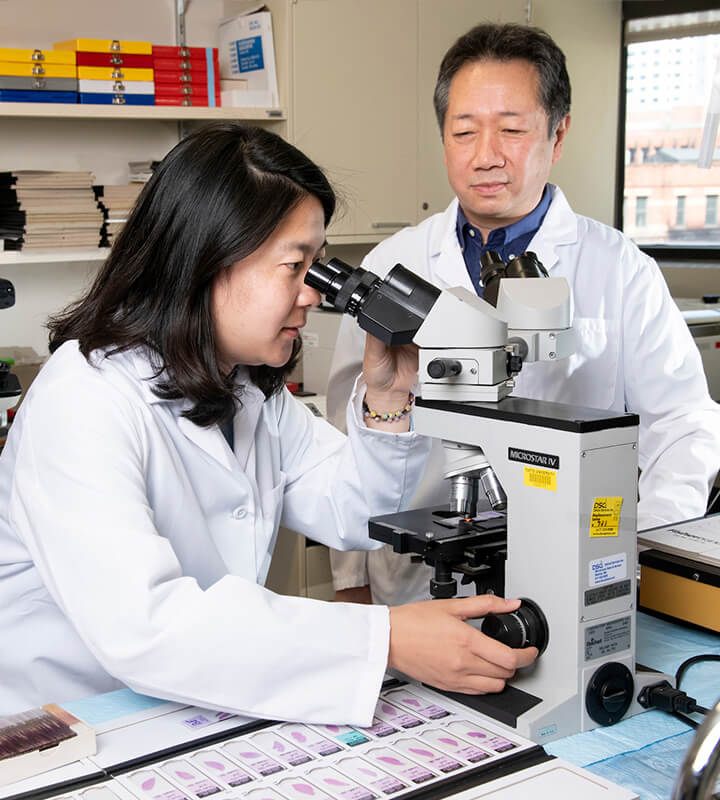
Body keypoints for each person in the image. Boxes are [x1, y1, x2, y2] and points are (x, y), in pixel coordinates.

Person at [0, 122, 538, 720]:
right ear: (208, 260)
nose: (313, 292)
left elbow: (354, 513)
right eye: (295, 264)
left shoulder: (245, 385)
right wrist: (385, 638)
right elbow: (147, 628)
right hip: (72, 727)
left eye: (319, 263)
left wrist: (389, 398)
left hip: (198, 707)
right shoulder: (83, 398)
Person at [327, 23, 720, 606]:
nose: (486, 156)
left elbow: (683, 424)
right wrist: (350, 581)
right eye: (464, 131)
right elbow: (345, 431)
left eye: (511, 130)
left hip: (572, 570)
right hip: (418, 581)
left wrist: (642, 551)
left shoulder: (618, 268)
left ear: (558, 134)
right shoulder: (397, 261)